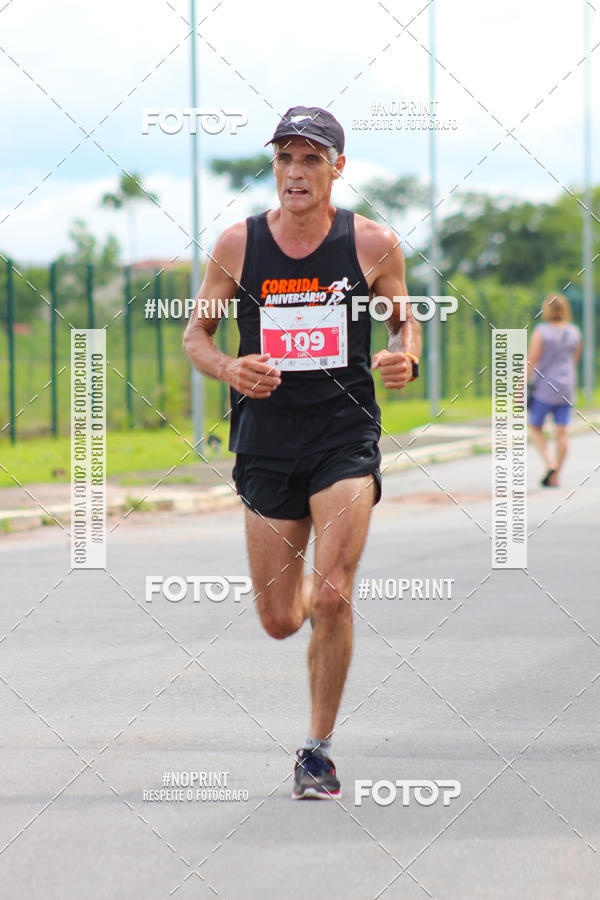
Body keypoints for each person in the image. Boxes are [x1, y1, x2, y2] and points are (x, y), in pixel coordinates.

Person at [183, 106, 421, 799]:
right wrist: (228, 368)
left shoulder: (372, 244)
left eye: (312, 158)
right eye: (286, 157)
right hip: (266, 441)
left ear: (337, 169)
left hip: (343, 436)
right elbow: (196, 336)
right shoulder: (237, 244)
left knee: (332, 594)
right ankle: (310, 629)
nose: (295, 171)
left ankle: (316, 751)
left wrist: (405, 354)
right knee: (281, 618)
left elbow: (405, 319)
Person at [527, 293, 582, 487]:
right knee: (562, 431)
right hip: (566, 386)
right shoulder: (574, 331)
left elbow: (533, 359)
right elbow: (575, 358)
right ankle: (557, 473)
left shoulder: (541, 331)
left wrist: (520, 386)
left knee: (535, 427)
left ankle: (550, 462)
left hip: (544, 387)